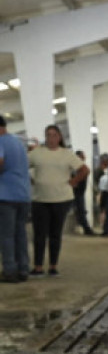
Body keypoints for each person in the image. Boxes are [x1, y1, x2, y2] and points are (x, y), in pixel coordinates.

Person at [27, 124, 89, 276]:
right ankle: (38, 266)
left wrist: (74, 181)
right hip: (40, 199)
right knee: (39, 234)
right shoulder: (36, 153)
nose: (51, 138)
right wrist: (31, 180)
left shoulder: (67, 154)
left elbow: (84, 169)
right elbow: (22, 166)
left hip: (61, 199)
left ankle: (53, 266)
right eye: (48, 135)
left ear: (59, 137)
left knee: (55, 234)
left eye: (54, 135)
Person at [0, 116, 31, 282]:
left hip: (6, 195)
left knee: (6, 235)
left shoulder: (0, 142)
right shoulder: (18, 143)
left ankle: (10, 270)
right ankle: (23, 268)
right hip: (23, 195)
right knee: (20, 234)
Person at [71, 149, 95, 235]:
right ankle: (87, 229)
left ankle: (86, 228)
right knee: (81, 211)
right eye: (83, 155)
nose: (85, 157)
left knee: (81, 211)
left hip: (79, 192)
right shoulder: (75, 167)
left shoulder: (79, 167)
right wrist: (74, 182)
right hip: (77, 193)